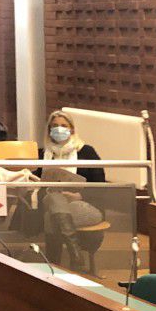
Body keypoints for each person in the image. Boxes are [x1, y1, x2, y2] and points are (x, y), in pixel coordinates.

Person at [37, 110, 106, 267]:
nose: (59, 129)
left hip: (84, 204)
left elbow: (101, 186)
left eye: (64, 125)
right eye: (54, 126)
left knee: (51, 219)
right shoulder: (42, 154)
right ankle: (75, 254)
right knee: (54, 198)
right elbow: (36, 184)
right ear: (49, 130)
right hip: (52, 202)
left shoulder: (87, 152)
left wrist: (79, 196)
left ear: (72, 129)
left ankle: (54, 266)